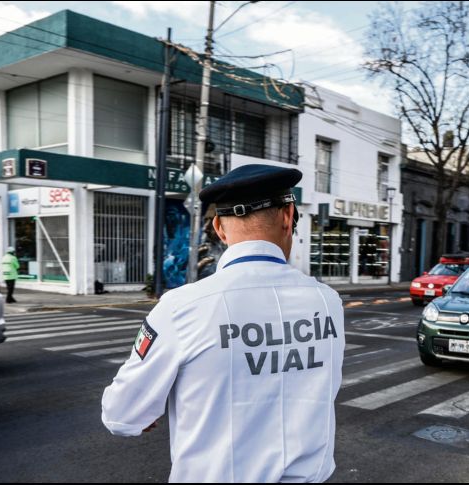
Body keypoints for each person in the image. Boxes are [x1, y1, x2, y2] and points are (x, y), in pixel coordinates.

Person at [101, 164, 346, 483]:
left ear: (219, 227)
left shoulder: (182, 307)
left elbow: (122, 415)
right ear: (288, 216)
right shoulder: (327, 301)